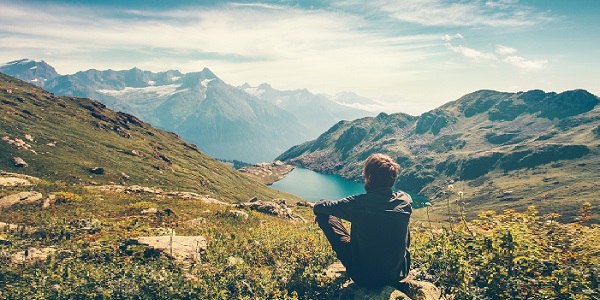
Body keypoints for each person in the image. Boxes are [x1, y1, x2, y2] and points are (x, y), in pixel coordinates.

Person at [313, 153, 412, 289]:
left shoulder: (358, 203)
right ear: (392, 178)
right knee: (400, 221)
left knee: (325, 215)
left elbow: (320, 206)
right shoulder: (405, 200)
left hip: (365, 277)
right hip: (398, 274)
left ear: (369, 178)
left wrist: (321, 210)